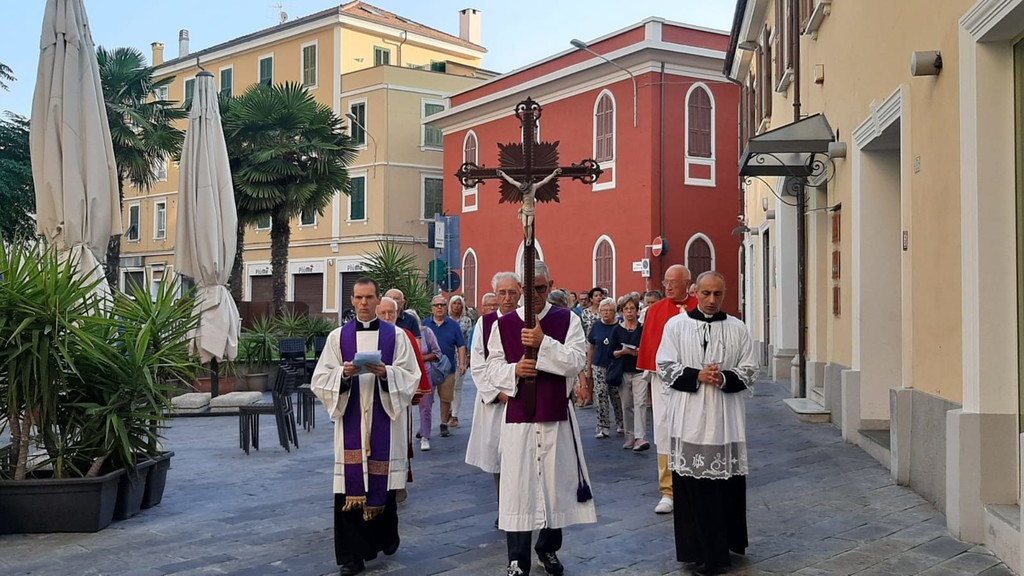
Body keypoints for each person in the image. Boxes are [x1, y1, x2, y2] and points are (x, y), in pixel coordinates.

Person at [484, 260, 595, 576]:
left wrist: (543, 343)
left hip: (555, 416)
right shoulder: (503, 324)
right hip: (519, 418)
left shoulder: (567, 320)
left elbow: (576, 361)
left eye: (542, 288)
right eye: (529, 288)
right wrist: (514, 370)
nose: (535, 294)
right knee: (518, 487)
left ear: (551, 286)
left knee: (552, 486)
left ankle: (548, 548)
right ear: (520, 288)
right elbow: (492, 368)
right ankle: (517, 559)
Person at [311, 278, 422, 576]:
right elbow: (320, 379)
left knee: (382, 484)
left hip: (384, 419)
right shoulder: (338, 337)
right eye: (359, 297)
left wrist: (387, 373)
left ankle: (385, 539)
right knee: (348, 490)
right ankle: (351, 557)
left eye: (369, 297)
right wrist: (343, 375)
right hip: (351, 420)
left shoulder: (396, 336)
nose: (364, 303)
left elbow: (411, 375)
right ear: (352, 299)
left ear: (377, 299)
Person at [657, 271, 756, 575]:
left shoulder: (737, 328)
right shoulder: (676, 326)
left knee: (725, 487)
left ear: (724, 294)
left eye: (718, 294)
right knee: (694, 488)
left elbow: (750, 368)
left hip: (725, 418)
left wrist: (723, 377)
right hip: (690, 416)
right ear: (695, 292)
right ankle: (696, 550)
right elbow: (665, 365)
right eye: (706, 293)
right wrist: (697, 375)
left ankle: (723, 549)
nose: (712, 300)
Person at [465, 272, 522, 531]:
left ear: (520, 293)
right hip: (497, 402)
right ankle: (504, 509)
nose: (507, 298)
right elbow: (478, 364)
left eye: (512, 292)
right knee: (500, 458)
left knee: (524, 456)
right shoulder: (485, 323)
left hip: (524, 398)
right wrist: (498, 393)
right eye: (502, 293)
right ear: (495, 295)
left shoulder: (527, 320)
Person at [637, 264, 696, 515]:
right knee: (664, 432)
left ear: (687, 283)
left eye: (674, 282)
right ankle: (668, 490)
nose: (668, 286)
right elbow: (650, 343)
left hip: (694, 382)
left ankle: (693, 486)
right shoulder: (655, 310)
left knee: (693, 431)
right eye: (666, 282)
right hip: (663, 381)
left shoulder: (699, 306)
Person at [423, 295, 466, 438]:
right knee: (426, 399)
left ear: (446, 307)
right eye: (437, 305)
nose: (439, 308)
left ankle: (443, 424)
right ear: (432, 308)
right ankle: (425, 425)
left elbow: (461, 345)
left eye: (442, 305)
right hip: (428, 368)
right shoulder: (424, 324)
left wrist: (462, 363)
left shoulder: (453, 325)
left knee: (446, 398)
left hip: (447, 368)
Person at [609, 296, 647, 451]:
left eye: (632, 308)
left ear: (637, 311)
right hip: (623, 371)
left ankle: (640, 437)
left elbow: (647, 349)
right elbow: (611, 353)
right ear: (622, 312)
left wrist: (636, 352)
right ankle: (630, 436)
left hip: (640, 371)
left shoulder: (642, 329)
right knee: (626, 405)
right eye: (626, 309)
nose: (629, 312)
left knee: (641, 403)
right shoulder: (617, 330)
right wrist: (623, 352)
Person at [586, 297, 623, 439]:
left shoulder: (620, 325)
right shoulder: (596, 326)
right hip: (599, 365)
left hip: (615, 365)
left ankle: (621, 423)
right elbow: (591, 347)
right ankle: (603, 426)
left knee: (617, 396)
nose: (606, 313)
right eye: (603, 310)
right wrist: (589, 369)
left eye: (609, 310)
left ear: (614, 312)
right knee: (601, 396)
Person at [448, 295, 474, 429]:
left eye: (459, 304)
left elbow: (468, 339)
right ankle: (447, 409)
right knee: (447, 386)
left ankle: (455, 415)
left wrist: (468, 357)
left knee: (457, 387)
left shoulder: (466, 321)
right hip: (446, 357)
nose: (457, 306)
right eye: (454, 303)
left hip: (460, 357)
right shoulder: (445, 320)